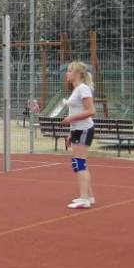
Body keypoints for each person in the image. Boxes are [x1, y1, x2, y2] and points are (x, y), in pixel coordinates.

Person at [61, 62, 96, 210]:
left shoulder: (83, 88)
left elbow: (91, 111)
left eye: (70, 71)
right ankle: (89, 196)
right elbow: (75, 111)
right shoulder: (77, 89)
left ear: (77, 74)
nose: (67, 74)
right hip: (77, 130)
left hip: (84, 129)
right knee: (79, 163)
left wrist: (71, 119)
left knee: (80, 164)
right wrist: (71, 132)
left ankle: (84, 199)